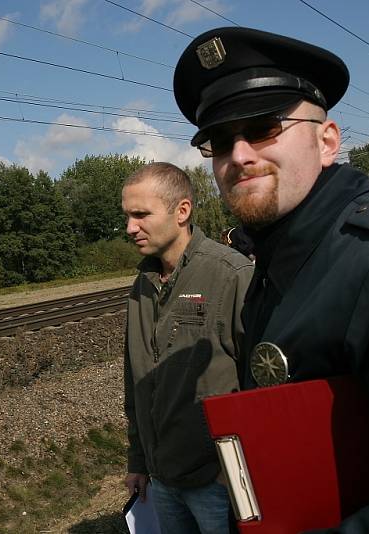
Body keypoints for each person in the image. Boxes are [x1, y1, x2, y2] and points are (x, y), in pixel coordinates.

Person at [173, 26, 369, 531]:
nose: (239, 155)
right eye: (219, 141)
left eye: (265, 127)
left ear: (327, 141)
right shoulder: (275, 266)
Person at [122, 162, 253, 534]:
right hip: (163, 478)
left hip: (218, 482)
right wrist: (138, 461)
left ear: (182, 211)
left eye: (141, 214)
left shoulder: (231, 274)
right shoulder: (142, 287)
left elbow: (263, 385)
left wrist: (240, 478)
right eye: (128, 216)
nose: (131, 228)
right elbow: (136, 381)